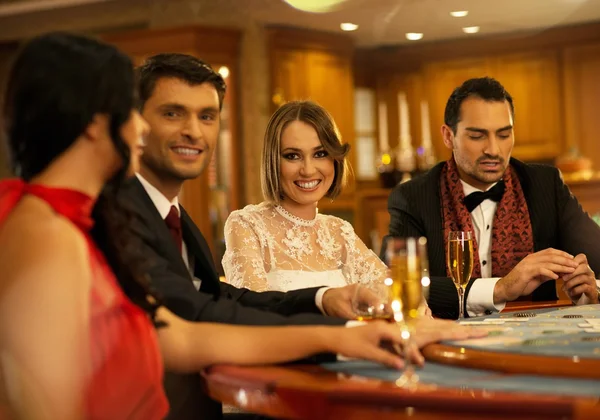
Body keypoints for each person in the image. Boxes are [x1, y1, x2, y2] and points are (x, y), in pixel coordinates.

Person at [0, 32, 486, 420]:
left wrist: (336, 326)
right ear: (94, 121)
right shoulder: (47, 232)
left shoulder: (98, 220)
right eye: (139, 112)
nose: (143, 129)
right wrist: (336, 336)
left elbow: (180, 333)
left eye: (207, 115)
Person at [385, 76, 600, 320]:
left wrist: (590, 292)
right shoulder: (412, 197)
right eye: (477, 136)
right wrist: (501, 288)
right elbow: (398, 285)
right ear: (448, 136)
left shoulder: (545, 185)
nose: (493, 150)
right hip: (447, 343)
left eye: (504, 134)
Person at [222, 100, 389, 293]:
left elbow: (395, 295)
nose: (308, 170)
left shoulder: (340, 232)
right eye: (293, 156)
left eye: (320, 153)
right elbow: (255, 313)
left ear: (334, 159)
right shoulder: (247, 226)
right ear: (272, 161)